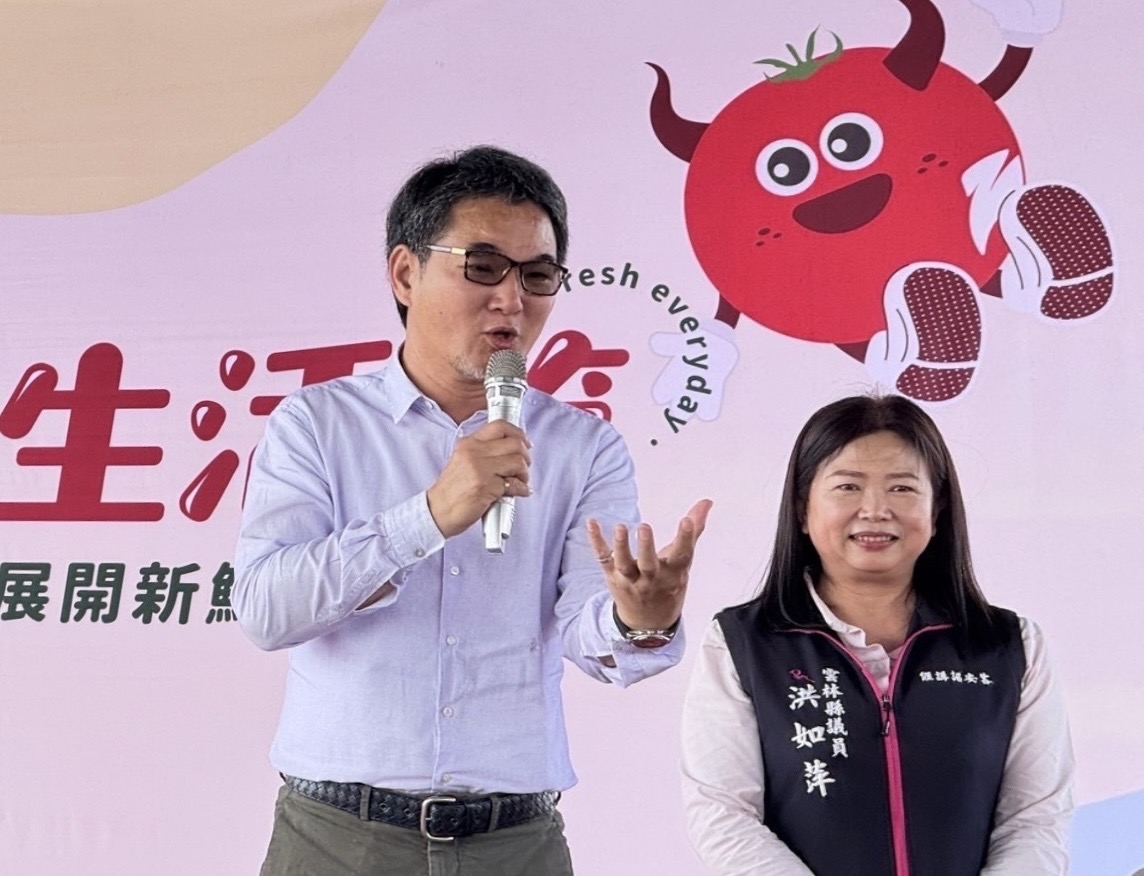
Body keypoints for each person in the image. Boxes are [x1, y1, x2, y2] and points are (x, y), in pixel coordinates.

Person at [232, 144, 711, 876]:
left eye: (537, 275)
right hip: (338, 839)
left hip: (514, 842)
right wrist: (426, 517)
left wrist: (640, 619)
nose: (512, 300)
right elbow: (268, 611)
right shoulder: (317, 425)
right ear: (405, 273)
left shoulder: (584, 447)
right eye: (483, 267)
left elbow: (591, 633)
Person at [680, 394, 1073, 875]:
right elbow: (724, 815)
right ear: (803, 509)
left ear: (937, 509)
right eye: (847, 486)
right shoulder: (742, 643)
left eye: (902, 488)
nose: (875, 510)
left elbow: (1035, 819)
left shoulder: (1009, 646)